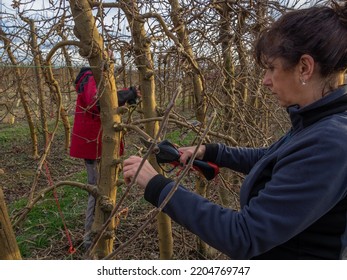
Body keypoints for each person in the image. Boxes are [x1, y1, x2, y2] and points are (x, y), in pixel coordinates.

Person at [123, 2, 347, 260]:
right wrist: (212, 152)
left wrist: (156, 185)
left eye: (271, 68)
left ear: (304, 67)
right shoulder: (317, 122)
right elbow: (274, 161)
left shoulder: (331, 142)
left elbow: (243, 235)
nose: (265, 80)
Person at [69, 67, 140, 249]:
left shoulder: (99, 76)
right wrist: (127, 94)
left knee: (104, 186)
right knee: (97, 189)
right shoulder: (90, 76)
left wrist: (128, 95)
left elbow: (107, 97)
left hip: (102, 143)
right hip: (94, 144)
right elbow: (98, 101)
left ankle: (104, 227)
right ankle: (90, 238)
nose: (110, 60)